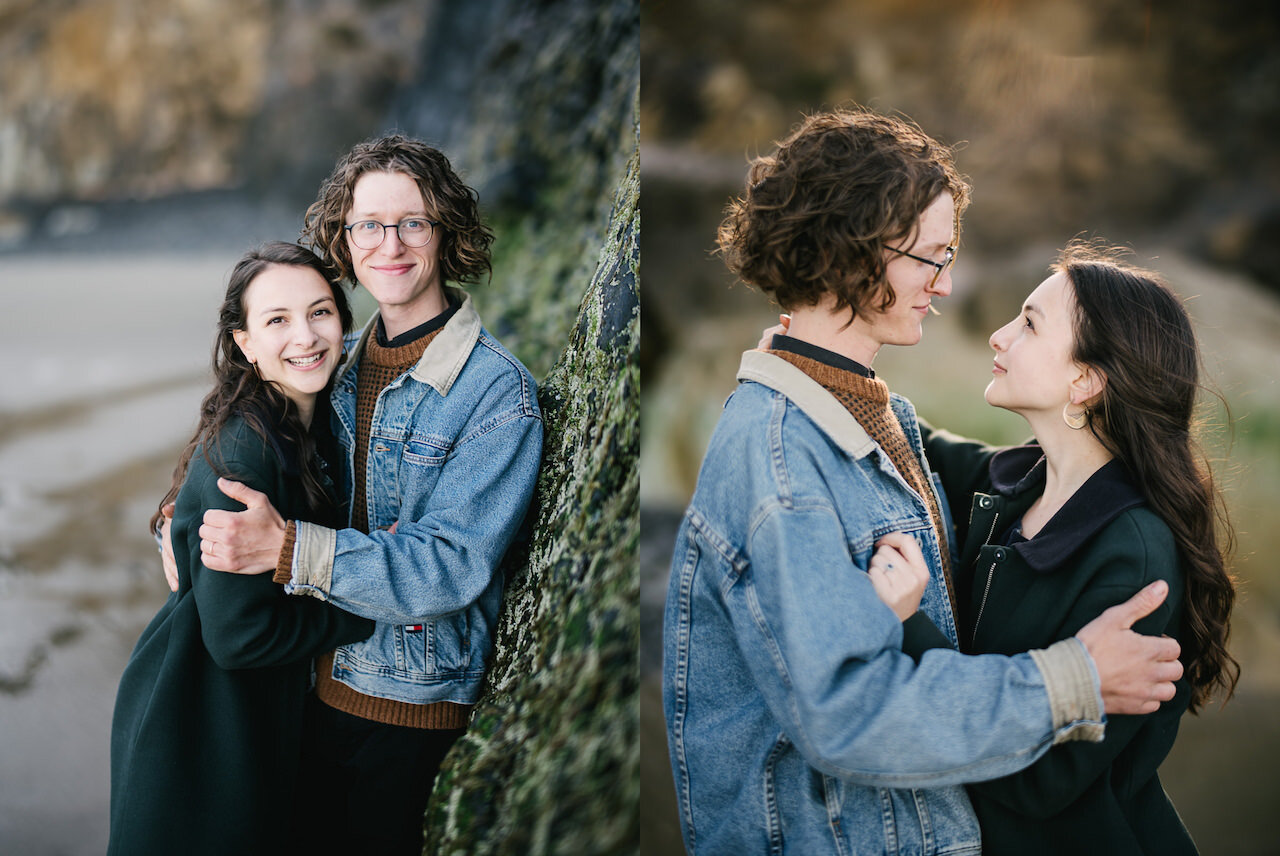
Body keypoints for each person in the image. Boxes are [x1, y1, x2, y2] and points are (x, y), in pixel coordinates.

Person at [662, 107, 1184, 855]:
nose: (943, 285)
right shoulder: (783, 468)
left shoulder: (871, 415)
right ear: (861, 252)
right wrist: (1074, 682)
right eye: (933, 257)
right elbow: (849, 717)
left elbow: (993, 470)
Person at [191, 135, 544, 854]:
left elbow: (448, 565)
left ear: (446, 233)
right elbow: (270, 461)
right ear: (344, 243)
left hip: (406, 713)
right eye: (368, 226)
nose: (391, 244)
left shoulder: (496, 393)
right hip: (308, 689)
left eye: (413, 221)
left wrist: (288, 550)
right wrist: (186, 521)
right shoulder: (340, 366)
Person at [875, 242, 1238, 854]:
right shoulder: (1022, 484)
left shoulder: (1136, 559)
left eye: (1029, 324)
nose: (998, 335)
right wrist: (827, 366)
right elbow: (920, 443)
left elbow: (1041, 780)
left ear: (1086, 379)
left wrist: (908, 623)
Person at [109, 242, 375, 855]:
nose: (305, 336)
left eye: (320, 312)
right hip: (198, 727)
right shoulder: (247, 449)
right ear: (245, 344)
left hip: (242, 717)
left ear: (343, 320)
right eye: (276, 320)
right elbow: (239, 637)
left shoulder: (308, 420)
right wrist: (372, 605)